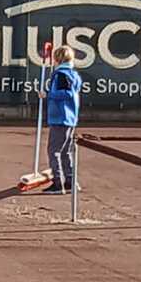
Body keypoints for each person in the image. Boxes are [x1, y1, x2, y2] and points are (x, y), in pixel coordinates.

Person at [40, 43, 83, 194]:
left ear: (57, 59)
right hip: (69, 118)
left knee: (54, 150)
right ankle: (70, 181)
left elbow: (66, 93)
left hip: (61, 118)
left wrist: (48, 95)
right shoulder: (72, 74)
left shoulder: (61, 75)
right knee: (65, 151)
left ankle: (59, 183)